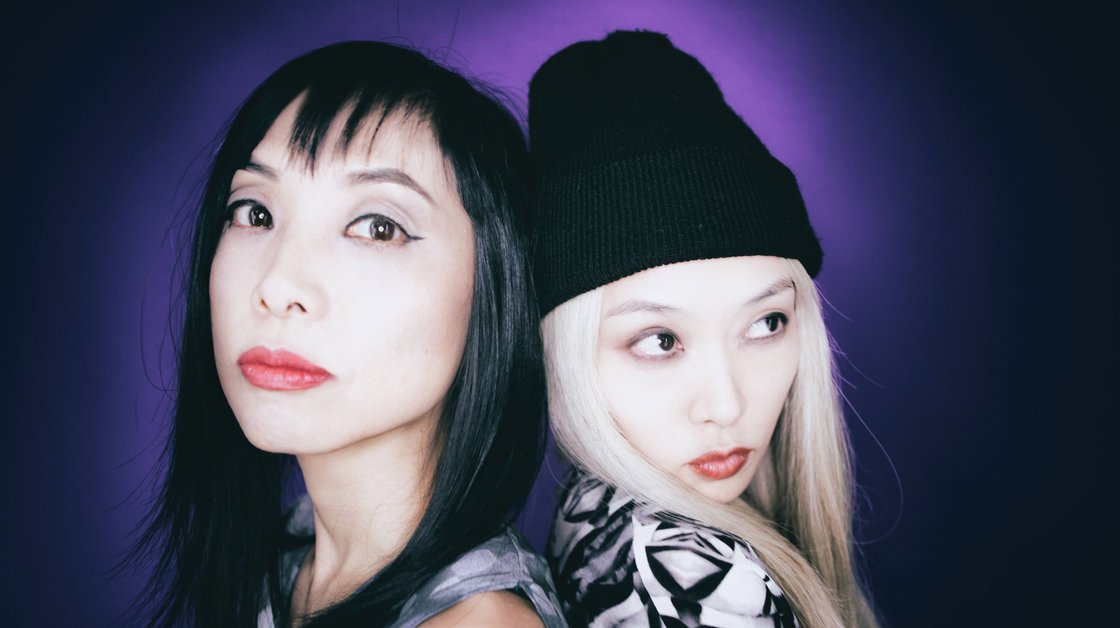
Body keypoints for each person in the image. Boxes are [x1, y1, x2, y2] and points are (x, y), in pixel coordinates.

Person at [128, 41, 565, 627]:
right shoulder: (283, 567)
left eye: (378, 227)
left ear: (495, 286)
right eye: (255, 213)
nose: (278, 285)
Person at [530, 31, 877, 627]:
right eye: (660, 341)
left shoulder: (598, 517)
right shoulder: (689, 581)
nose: (727, 405)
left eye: (766, 323)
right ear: (564, 353)